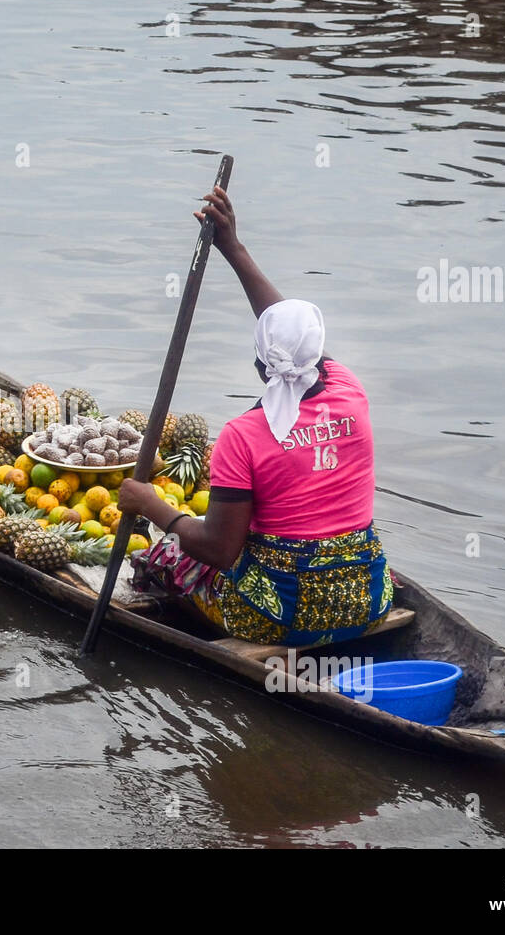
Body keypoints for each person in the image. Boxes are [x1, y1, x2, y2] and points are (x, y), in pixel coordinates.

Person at [117, 186, 393, 647]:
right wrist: (234, 248)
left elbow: (219, 550)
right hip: (367, 601)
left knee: (168, 556)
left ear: (259, 365)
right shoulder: (349, 391)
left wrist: (152, 505)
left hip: (279, 619)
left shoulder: (243, 435)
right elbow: (293, 334)